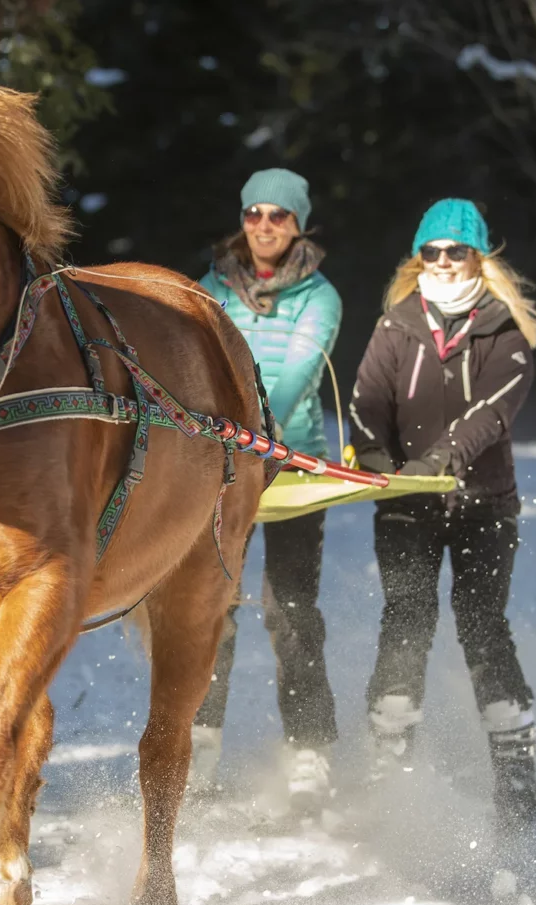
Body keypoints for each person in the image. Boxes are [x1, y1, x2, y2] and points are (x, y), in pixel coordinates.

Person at [349, 198, 536, 824]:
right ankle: (388, 770)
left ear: (478, 257)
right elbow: (366, 402)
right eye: (430, 251)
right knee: (406, 619)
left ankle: (515, 772)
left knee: (482, 623)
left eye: (454, 250)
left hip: (484, 503)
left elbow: (491, 414)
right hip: (406, 504)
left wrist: (436, 462)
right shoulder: (396, 326)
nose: (441, 261)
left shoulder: (505, 334)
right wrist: (376, 460)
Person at [188, 168, 343, 809]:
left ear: (298, 223)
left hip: (291, 466)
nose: (264, 225)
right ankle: (198, 741)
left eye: (278, 215)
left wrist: (260, 432)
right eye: (254, 213)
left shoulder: (319, 296)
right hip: (220, 470)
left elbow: (299, 371)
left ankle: (309, 747)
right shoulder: (210, 290)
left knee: (291, 609)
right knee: (211, 605)